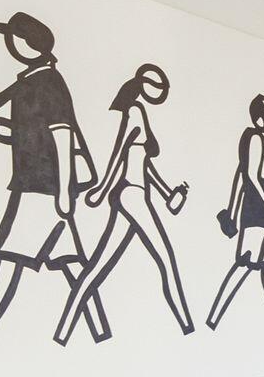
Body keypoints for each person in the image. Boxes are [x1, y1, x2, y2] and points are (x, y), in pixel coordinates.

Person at [0, 12, 108, 354]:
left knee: (7, 261)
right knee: (71, 264)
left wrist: (66, 193)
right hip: (38, 185)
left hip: (42, 190)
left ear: (28, 44)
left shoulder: (47, 83)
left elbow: (63, 135)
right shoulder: (30, 82)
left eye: (13, 37)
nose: (10, 44)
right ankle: (102, 332)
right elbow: (36, 134)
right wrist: (11, 133)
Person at [54, 63, 194, 344]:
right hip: (130, 194)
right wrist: (102, 189)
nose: (161, 90)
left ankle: (63, 331)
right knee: (166, 260)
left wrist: (167, 193)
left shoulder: (138, 112)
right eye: (156, 85)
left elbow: (142, 164)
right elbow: (119, 154)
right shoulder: (134, 111)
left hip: (134, 193)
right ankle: (189, 328)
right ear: (142, 84)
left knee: (97, 268)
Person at [204, 93, 264, 330]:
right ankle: (212, 321)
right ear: (259, 117)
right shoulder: (255, 137)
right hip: (257, 218)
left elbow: (240, 177)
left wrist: (233, 211)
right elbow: (253, 179)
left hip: (258, 217)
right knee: (244, 266)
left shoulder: (251, 139)